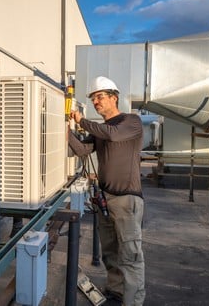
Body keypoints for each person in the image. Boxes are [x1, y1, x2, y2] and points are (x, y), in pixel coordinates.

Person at [68, 76, 145, 306]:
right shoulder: (100, 131)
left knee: (130, 256)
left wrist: (81, 120)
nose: (96, 102)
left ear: (114, 97)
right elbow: (82, 150)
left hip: (127, 201)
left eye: (100, 97)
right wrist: (64, 128)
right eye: (93, 99)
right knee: (110, 253)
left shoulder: (131, 122)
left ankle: (133, 302)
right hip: (105, 199)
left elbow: (112, 134)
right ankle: (115, 292)